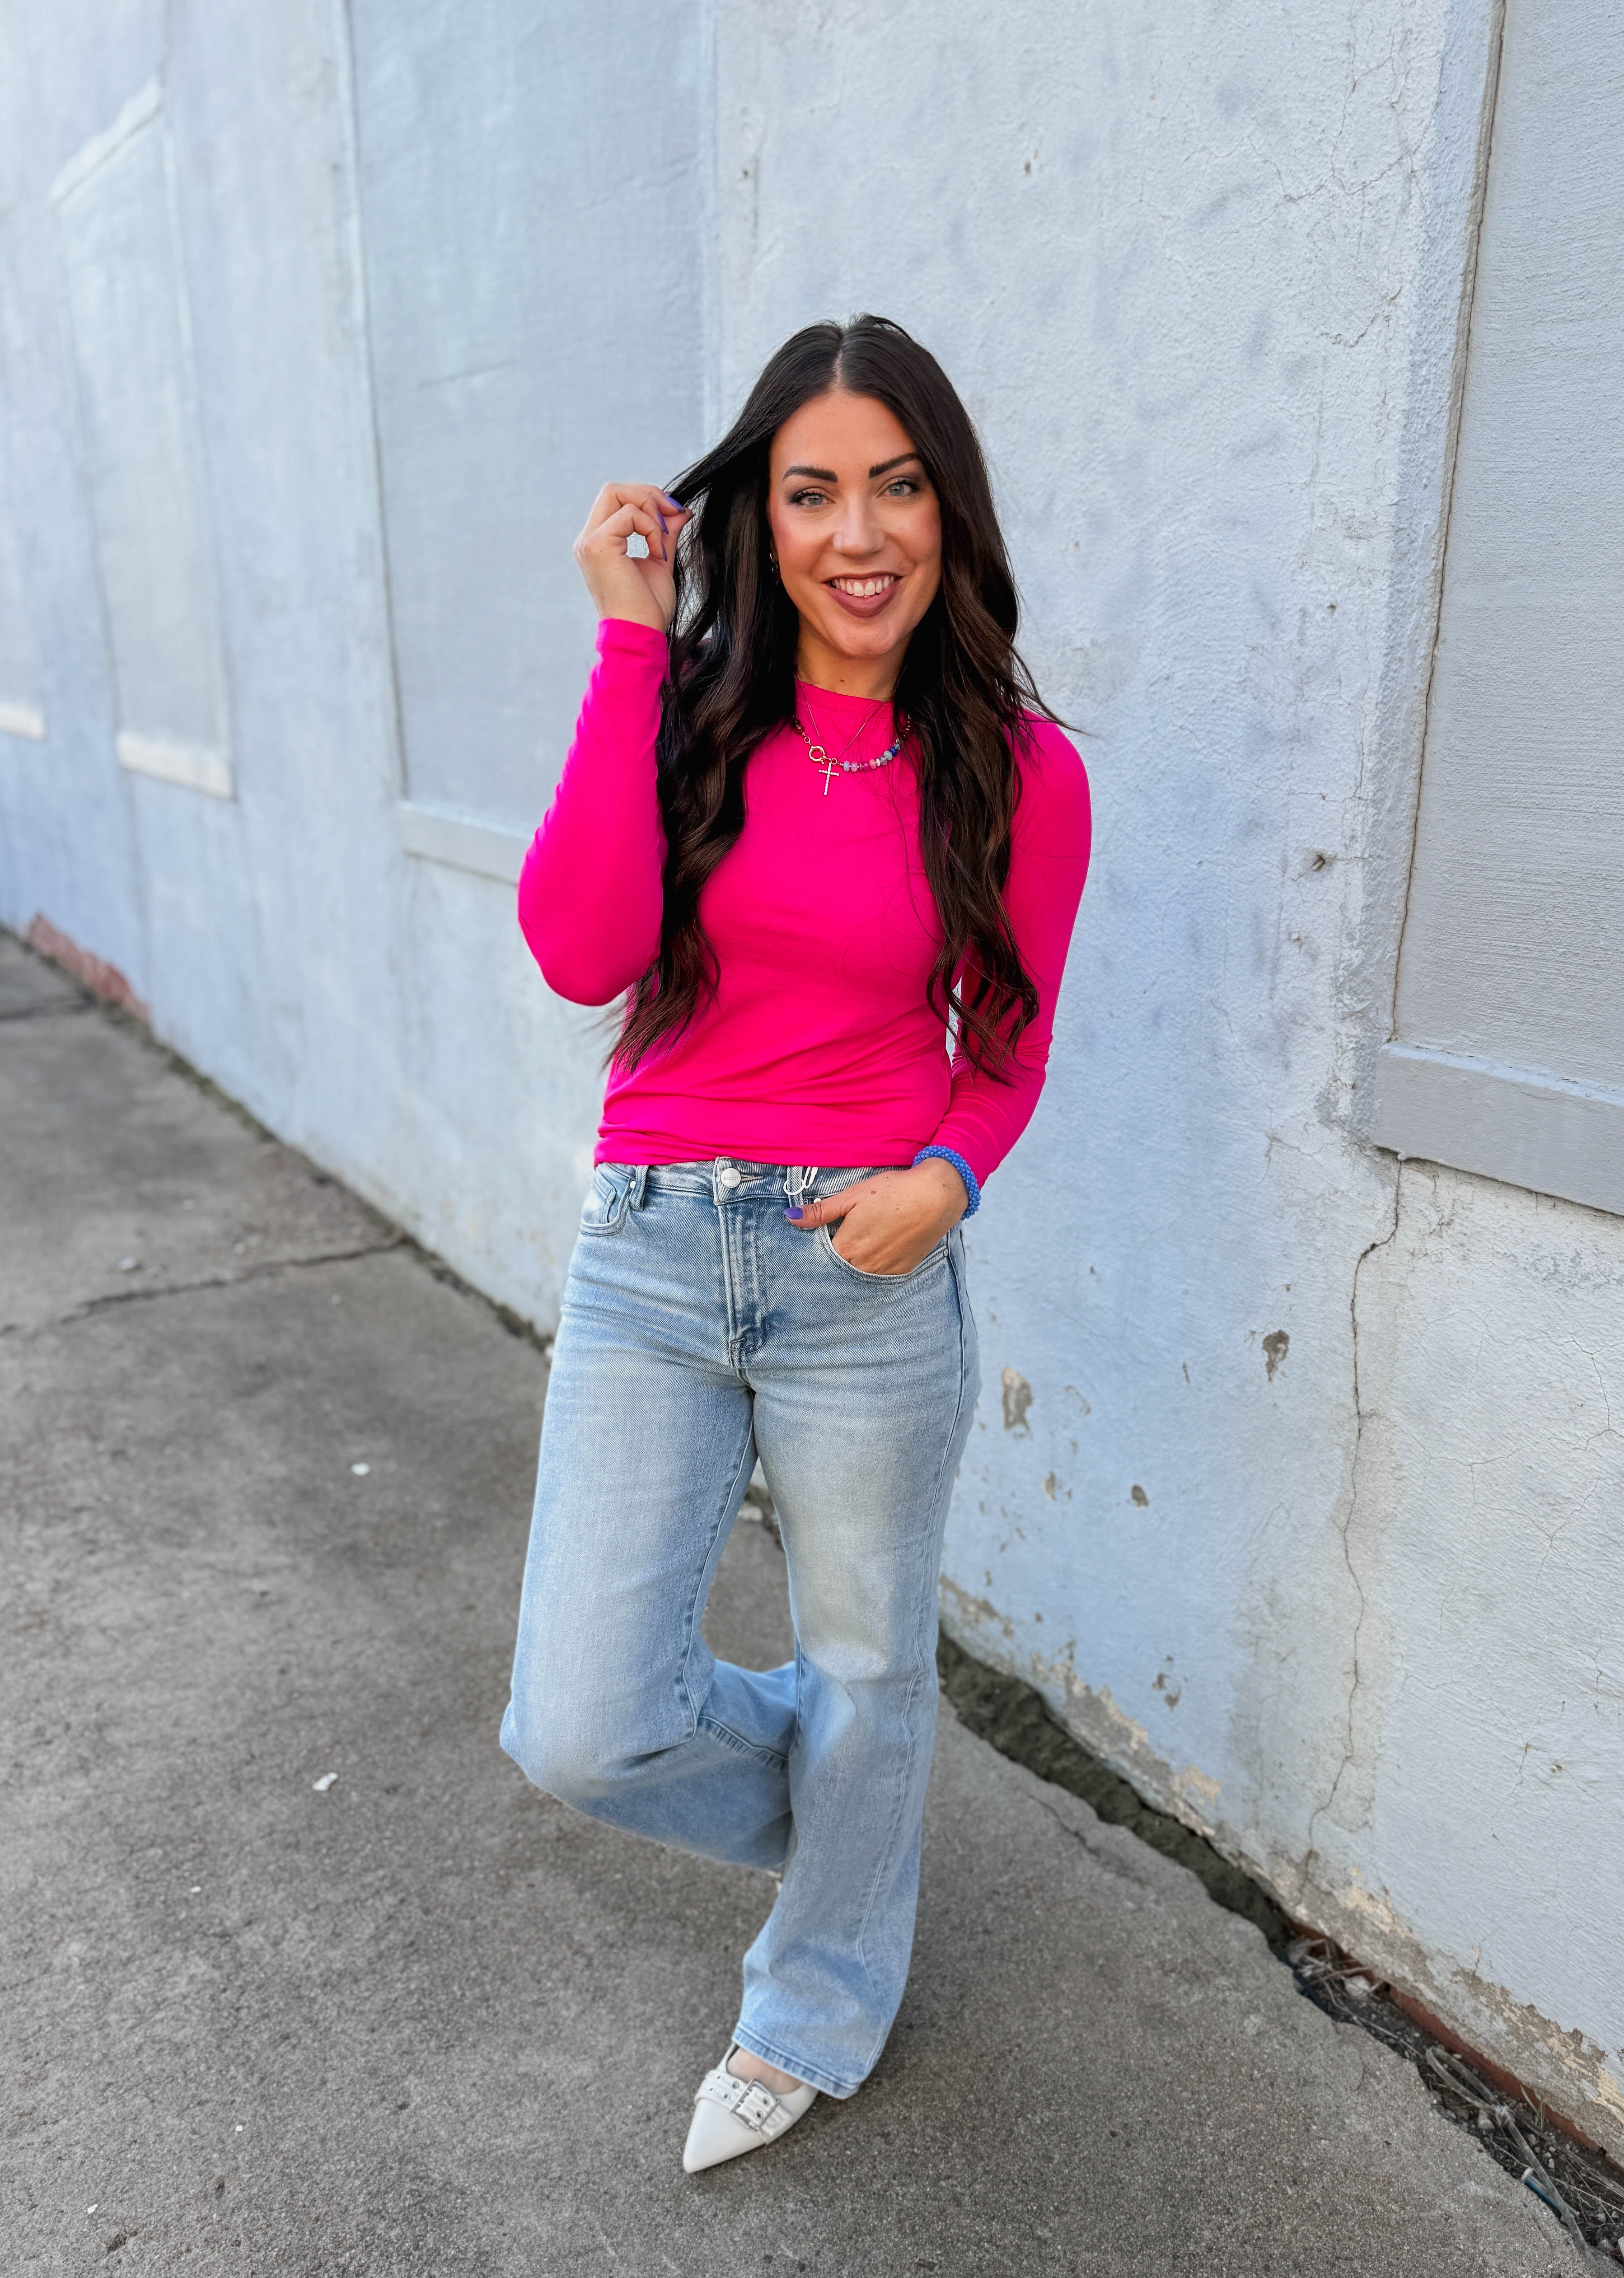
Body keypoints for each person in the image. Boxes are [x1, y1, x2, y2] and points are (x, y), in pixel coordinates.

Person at [500, 314, 1091, 2172]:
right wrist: (627, 640)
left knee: (867, 1659)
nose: (857, 532)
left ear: (948, 511)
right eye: (811, 489)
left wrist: (948, 1178)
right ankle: (864, 1808)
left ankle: (817, 1996)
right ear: (759, 514)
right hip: (653, 1254)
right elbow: (582, 950)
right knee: (580, 1722)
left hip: (865, 1269)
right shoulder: (682, 713)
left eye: (895, 487)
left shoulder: (1018, 770)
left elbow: (1007, 1051)